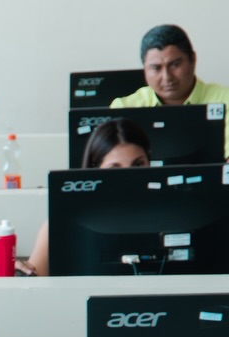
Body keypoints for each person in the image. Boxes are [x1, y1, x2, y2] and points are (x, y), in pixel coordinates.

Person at [19, 118, 151, 276]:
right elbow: (34, 278)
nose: (129, 177)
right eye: (114, 169)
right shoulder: (61, 221)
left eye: (138, 165)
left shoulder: (172, 210)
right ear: (95, 169)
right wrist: (20, 271)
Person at [112, 24, 229, 167]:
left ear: (193, 60)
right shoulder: (124, 108)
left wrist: (228, 185)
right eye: (156, 68)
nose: (167, 77)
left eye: (174, 64)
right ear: (144, 68)